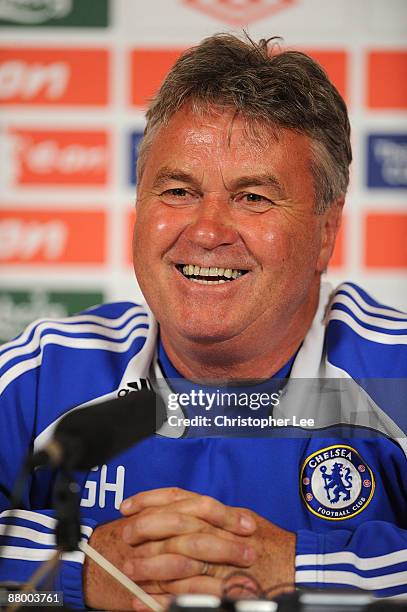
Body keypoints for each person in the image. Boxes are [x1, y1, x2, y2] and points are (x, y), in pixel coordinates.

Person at [0, 34, 406, 611]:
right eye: (178, 190)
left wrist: (302, 568)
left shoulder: (398, 374)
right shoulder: (43, 373)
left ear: (325, 232)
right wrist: (80, 572)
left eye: (254, 198)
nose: (208, 230)